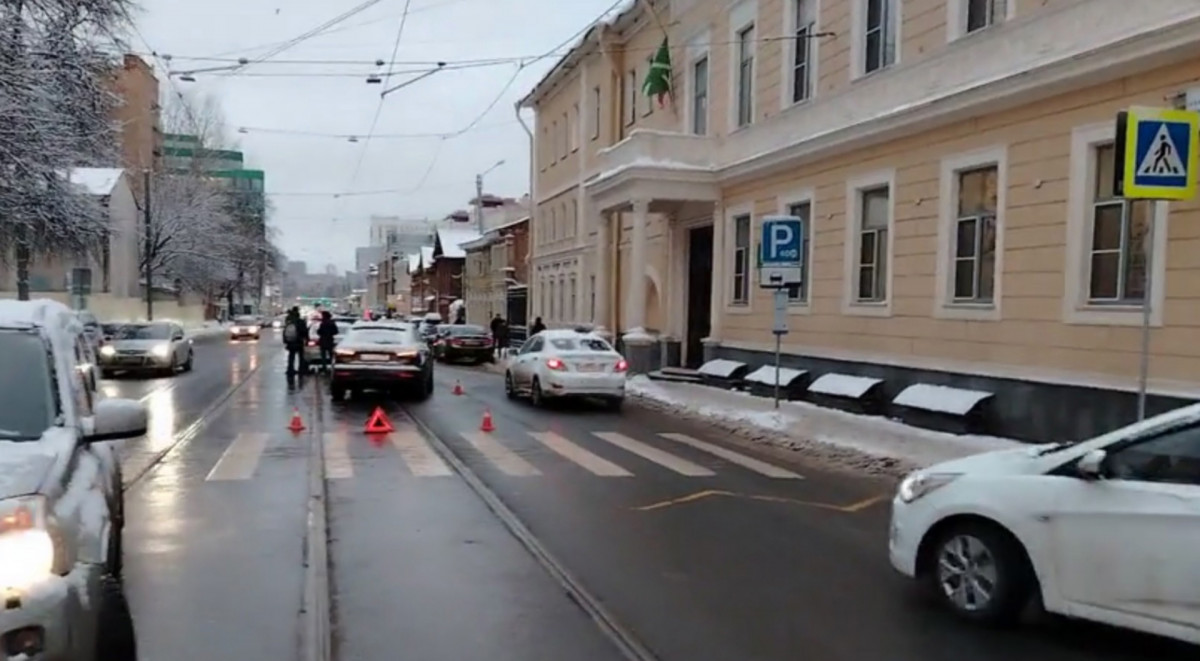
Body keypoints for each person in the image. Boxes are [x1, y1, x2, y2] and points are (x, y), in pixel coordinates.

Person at [282, 307, 309, 375]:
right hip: (299, 341)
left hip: (291, 341)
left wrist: (285, 340)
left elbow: (285, 331)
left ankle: (290, 369)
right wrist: (306, 339)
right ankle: (301, 369)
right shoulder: (301, 322)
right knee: (301, 356)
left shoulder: (289, 321)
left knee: (291, 356)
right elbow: (304, 331)